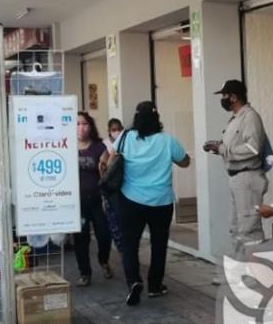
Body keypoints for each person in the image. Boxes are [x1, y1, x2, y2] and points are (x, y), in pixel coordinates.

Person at [110, 101, 190, 305]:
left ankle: (133, 282)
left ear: (136, 118)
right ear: (157, 118)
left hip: (130, 200)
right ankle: (155, 285)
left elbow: (110, 161)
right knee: (159, 244)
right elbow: (185, 161)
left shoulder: (125, 137)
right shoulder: (167, 141)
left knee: (130, 245)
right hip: (161, 202)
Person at [203, 79, 269, 255]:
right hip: (237, 178)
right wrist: (218, 147)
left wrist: (224, 149)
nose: (222, 99)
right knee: (237, 228)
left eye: (225, 95)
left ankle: (256, 276)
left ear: (233, 97)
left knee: (249, 229)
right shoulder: (236, 118)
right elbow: (236, 146)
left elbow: (253, 148)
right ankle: (241, 271)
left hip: (248, 177)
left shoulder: (250, 117)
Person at [74, 113, 113, 286]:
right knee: (81, 239)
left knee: (104, 235)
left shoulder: (99, 148)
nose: (81, 127)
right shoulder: (64, 147)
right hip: (77, 203)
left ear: (91, 126)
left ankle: (103, 260)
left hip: (97, 201)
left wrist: (104, 166)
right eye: (77, 124)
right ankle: (85, 273)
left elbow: (106, 174)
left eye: (84, 123)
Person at [99, 118, 125, 252]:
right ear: (109, 132)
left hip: (125, 186)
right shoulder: (106, 145)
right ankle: (121, 247)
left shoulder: (126, 142)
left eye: (119, 129)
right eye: (114, 130)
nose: (117, 132)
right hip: (111, 188)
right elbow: (103, 165)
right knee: (114, 219)